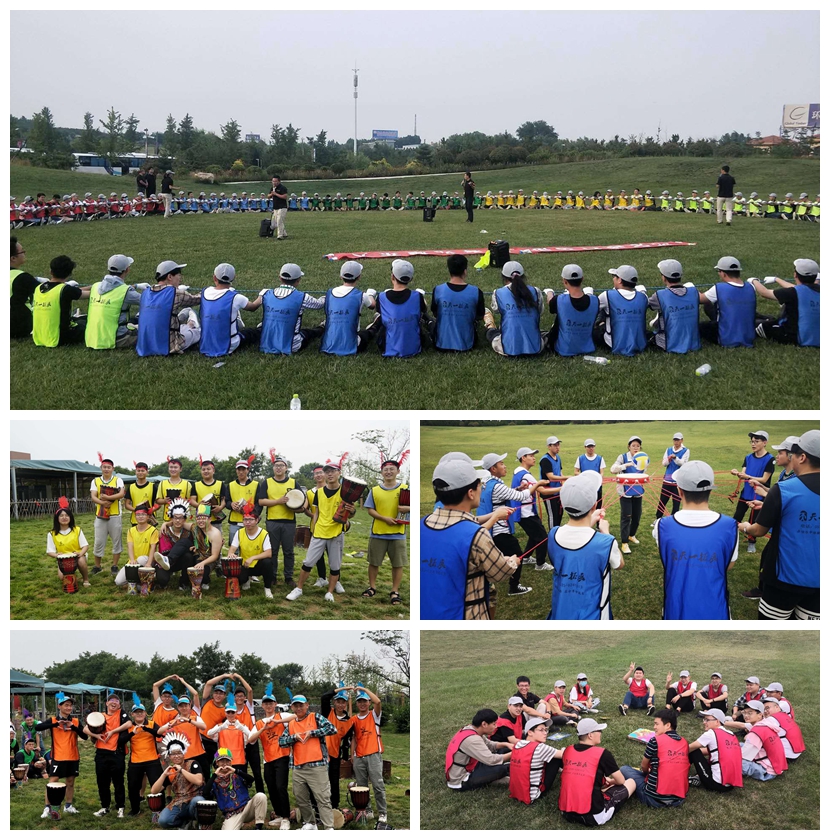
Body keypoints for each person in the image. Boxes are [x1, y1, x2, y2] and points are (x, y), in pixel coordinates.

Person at [421, 455, 520, 618]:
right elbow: (500, 572)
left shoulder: (422, 524)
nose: (482, 488)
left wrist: (494, 515)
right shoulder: (476, 534)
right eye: (480, 485)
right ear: (471, 493)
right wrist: (512, 561)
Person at [741, 430, 819, 620]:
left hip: (784, 578)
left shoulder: (784, 489)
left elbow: (758, 530)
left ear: (802, 457)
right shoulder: (783, 489)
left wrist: (745, 526)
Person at [653, 460, 738, 620]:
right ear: (710, 490)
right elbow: (728, 565)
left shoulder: (661, 526)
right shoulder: (730, 526)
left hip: (676, 609)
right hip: (716, 609)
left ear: (679, 491)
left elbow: (668, 560)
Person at [547, 471, 623, 621]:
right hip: (594, 617)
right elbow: (619, 564)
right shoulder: (605, 542)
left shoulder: (553, 534)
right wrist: (606, 532)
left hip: (560, 612)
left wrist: (591, 520)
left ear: (563, 504)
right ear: (594, 505)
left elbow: (575, 536)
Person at [286, 457, 351, 603]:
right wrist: (314, 529)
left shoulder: (345, 492)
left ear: (339, 473)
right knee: (308, 562)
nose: (330, 474)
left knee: (335, 566)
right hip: (320, 532)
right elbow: (316, 512)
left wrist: (351, 512)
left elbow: (350, 513)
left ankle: (329, 592)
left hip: (336, 533)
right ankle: (299, 589)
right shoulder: (319, 493)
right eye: (327, 471)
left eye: (333, 471)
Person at [476, 452, 539, 598]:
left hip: (490, 530)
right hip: (498, 530)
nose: (505, 466)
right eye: (501, 464)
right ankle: (514, 586)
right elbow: (521, 497)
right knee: (516, 553)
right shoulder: (497, 486)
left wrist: (518, 488)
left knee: (498, 555)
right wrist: (537, 485)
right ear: (493, 469)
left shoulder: (487, 483)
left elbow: (505, 494)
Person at [558, 719, 636, 826]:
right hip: (593, 816)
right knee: (631, 782)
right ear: (590, 735)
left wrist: (604, 780)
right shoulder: (603, 754)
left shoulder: (568, 750)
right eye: (599, 731)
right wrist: (612, 782)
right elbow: (620, 781)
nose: (601, 733)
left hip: (566, 812)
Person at [278, 693, 337, 831]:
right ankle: (310, 823)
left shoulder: (315, 717)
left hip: (317, 765)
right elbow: (281, 742)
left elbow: (332, 729)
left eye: (301, 705)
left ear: (307, 705)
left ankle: (329, 827)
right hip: (298, 767)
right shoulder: (291, 724)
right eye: (296, 706)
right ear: (292, 707)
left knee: (322, 798)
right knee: (301, 797)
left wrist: (312, 733)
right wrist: (294, 737)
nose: (298, 708)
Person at [247, 683, 296, 829]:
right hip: (268, 759)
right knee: (271, 787)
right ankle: (279, 814)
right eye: (266, 703)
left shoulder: (282, 716)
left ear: (275, 704)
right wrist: (263, 728)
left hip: (282, 756)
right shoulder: (259, 723)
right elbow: (250, 739)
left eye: (271, 703)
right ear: (262, 706)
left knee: (281, 786)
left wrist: (277, 722)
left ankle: (286, 817)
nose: (268, 706)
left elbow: (296, 716)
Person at [363, 452, 409, 605]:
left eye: (392, 469)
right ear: (381, 472)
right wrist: (385, 518)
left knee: (398, 564)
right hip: (378, 533)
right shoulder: (375, 490)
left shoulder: (406, 489)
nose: (388, 472)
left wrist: (408, 508)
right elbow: (370, 509)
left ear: (398, 471)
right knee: (374, 562)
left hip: (398, 533)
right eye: (385, 470)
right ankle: (372, 587)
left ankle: (395, 591)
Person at [620, 709, 689, 807]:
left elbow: (644, 766)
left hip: (654, 799)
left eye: (657, 724)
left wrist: (647, 773)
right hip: (678, 799)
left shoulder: (655, 740)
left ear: (667, 725)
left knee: (624, 769)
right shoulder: (684, 743)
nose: (654, 727)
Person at [36, 692, 87, 818]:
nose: (69, 708)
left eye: (70, 705)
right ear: (59, 706)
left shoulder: (75, 721)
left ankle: (68, 806)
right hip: (58, 756)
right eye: (66, 705)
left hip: (73, 756)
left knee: (70, 782)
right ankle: (47, 807)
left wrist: (73, 727)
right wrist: (55, 724)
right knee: (52, 782)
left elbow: (85, 736)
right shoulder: (53, 720)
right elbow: (38, 727)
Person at [136, 260, 201, 356]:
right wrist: (211, 291)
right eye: (178, 274)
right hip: (170, 345)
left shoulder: (145, 293)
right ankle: (192, 324)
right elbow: (197, 299)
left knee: (181, 325)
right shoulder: (176, 293)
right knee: (197, 332)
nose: (180, 278)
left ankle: (186, 323)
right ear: (170, 277)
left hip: (145, 346)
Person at [259, 263, 325, 355]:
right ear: (298, 280)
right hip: (291, 345)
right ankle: (322, 327)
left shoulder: (266, 293)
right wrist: (327, 297)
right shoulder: (302, 297)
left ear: (280, 278)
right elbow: (319, 305)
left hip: (267, 341)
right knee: (308, 333)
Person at [752, 258, 820, 346]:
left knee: (762, 326)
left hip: (795, 337)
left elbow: (764, 293)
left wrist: (753, 281)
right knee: (772, 320)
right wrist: (776, 279)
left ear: (795, 274)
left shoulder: (793, 292)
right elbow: (798, 288)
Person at [731, 430, 774, 567]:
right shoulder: (748, 457)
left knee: (754, 520)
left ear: (765, 443)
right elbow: (743, 473)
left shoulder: (770, 459)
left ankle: (751, 542)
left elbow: (764, 479)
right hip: (746, 493)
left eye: (757, 441)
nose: (753, 444)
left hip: (759, 494)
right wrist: (737, 473)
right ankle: (731, 538)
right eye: (752, 441)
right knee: (737, 516)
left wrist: (748, 477)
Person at [484, 261, 545, 356]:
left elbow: (496, 310)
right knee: (542, 333)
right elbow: (540, 311)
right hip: (536, 347)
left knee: (492, 333)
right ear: (523, 276)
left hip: (506, 348)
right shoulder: (536, 291)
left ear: (504, 277)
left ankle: (490, 325)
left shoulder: (498, 293)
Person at [85, 691, 131, 818]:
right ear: (106, 703)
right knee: (102, 782)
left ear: (119, 704)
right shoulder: (100, 716)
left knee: (118, 782)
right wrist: (96, 736)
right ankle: (105, 806)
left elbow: (129, 724)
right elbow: (85, 729)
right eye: (111, 701)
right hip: (101, 753)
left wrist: (112, 732)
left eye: (116, 701)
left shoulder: (121, 714)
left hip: (116, 753)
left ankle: (120, 807)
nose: (114, 703)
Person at [200, 262, 261, 357]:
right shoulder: (236, 297)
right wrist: (262, 296)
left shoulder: (205, 291)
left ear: (214, 278)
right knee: (252, 333)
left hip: (205, 344)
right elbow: (253, 307)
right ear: (233, 278)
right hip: (228, 345)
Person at [258, 452, 299, 589]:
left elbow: (302, 500)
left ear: (286, 468)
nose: (279, 468)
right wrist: (278, 501)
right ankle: (272, 576)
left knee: (289, 551)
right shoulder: (267, 482)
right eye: (276, 465)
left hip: (289, 521)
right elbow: (261, 501)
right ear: (273, 468)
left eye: (281, 465)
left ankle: (288, 577)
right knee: (273, 551)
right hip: (273, 521)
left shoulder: (293, 482)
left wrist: (298, 507)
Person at [319, 260, 379, 356]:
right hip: (352, 345)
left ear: (341, 276)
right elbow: (372, 305)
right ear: (359, 277)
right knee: (367, 334)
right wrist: (371, 294)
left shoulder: (329, 293)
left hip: (327, 345)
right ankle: (375, 324)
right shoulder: (361, 295)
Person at [348, 685, 388, 824]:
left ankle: (382, 812)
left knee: (378, 785)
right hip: (359, 756)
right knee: (362, 787)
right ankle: (367, 810)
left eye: (365, 701)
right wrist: (352, 755)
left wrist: (364, 690)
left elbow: (378, 701)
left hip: (373, 754)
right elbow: (354, 737)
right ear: (357, 704)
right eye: (359, 701)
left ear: (368, 702)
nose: (362, 704)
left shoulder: (374, 715)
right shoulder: (354, 719)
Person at [150, 731, 206, 829]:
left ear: (183, 753)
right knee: (163, 821)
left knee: (198, 801)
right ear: (169, 756)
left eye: (179, 753)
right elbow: (154, 791)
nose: (176, 756)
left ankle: (199, 822)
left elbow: (198, 781)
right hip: (179, 801)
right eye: (173, 754)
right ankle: (184, 822)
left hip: (194, 798)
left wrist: (181, 770)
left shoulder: (193, 763)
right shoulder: (171, 771)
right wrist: (164, 775)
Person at [445, 709, 512, 791]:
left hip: (473, 765)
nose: (496, 727)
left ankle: (499, 774)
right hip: (462, 779)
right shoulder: (473, 740)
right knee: (502, 769)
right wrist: (513, 753)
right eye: (494, 724)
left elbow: (490, 745)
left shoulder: (471, 729)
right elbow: (491, 760)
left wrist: (506, 744)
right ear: (484, 724)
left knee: (502, 751)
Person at [32, 254, 91, 346]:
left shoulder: (39, 288)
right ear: (69, 274)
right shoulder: (65, 290)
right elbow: (89, 294)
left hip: (39, 336)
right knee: (88, 321)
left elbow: (75, 291)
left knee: (78, 319)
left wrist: (91, 286)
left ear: (51, 271)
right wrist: (98, 287)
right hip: (60, 337)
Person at [376, 259, 431, 357]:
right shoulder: (417, 296)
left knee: (379, 317)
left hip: (387, 347)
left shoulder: (381, 297)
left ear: (392, 276)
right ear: (411, 279)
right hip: (415, 348)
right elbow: (424, 309)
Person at [431, 254, 485, 351]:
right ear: (465, 271)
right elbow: (479, 316)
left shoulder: (438, 290)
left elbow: (435, 313)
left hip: (441, 344)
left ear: (449, 270)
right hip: (467, 345)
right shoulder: (476, 292)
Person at [723, 700, 787, 781]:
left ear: (760, 715)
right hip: (776, 763)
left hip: (767, 770)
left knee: (732, 760)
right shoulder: (765, 723)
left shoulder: (757, 732)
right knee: (737, 745)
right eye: (745, 713)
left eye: (750, 713)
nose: (746, 716)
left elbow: (744, 756)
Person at [700, 256, 756, 347]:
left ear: (724, 274)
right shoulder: (751, 287)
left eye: (719, 271)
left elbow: (700, 299)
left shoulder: (719, 288)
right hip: (748, 336)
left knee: (701, 326)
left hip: (726, 338)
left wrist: (690, 288)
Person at [512, 447, 553, 571]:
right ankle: (540, 564)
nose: (534, 458)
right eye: (531, 456)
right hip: (525, 513)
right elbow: (542, 490)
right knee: (542, 537)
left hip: (525, 511)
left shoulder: (518, 472)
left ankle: (526, 557)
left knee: (533, 534)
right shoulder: (525, 475)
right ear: (523, 458)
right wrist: (563, 489)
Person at [206, 748, 268, 830]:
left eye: (227, 761)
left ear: (231, 762)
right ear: (217, 763)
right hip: (232, 814)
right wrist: (215, 775)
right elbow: (205, 792)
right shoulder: (214, 780)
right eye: (222, 761)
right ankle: (238, 824)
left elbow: (251, 779)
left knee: (261, 796)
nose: (225, 763)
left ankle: (258, 828)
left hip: (247, 808)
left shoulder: (237, 774)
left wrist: (236, 771)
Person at [648, 259, 701, 353]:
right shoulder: (694, 292)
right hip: (694, 344)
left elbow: (644, 305)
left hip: (669, 344)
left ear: (663, 278)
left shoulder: (660, 295)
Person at [508, 717, 564, 805]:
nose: (545, 733)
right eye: (541, 730)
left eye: (546, 730)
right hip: (534, 794)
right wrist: (564, 749)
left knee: (551, 755)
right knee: (556, 758)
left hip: (517, 792)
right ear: (530, 732)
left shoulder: (518, 744)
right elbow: (564, 754)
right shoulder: (540, 748)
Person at [609, 435, 649, 555]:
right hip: (625, 492)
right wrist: (626, 465)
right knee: (626, 517)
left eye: (638, 446)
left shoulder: (643, 458)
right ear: (629, 447)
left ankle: (631, 535)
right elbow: (613, 469)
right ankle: (624, 542)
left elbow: (643, 474)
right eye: (633, 445)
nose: (636, 448)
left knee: (636, 516)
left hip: (638, 492)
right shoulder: (622, 457)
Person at [595, 265, 648, 356]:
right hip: (640, 344)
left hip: (612, 343)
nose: (613, 279)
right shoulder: (643, 297)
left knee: (595, 331)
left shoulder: (607, 295)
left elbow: (591, 309)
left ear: (619, 280)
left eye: (614, 277)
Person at [124, 694, 163, 817]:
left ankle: (160, 809)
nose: (139, 714)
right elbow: (121, 741)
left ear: (145, 713)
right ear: (132, 714)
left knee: (158, 785)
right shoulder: (129, 726)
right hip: (136, 761)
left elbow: (159, 734)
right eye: (137, 712)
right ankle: (135, 809)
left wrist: (146, 729)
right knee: (133, 786)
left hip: (152, 760)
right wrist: (132, 733)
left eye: (141, 712)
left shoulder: (152, 724)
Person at [686, 708, 743, 791]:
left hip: (716, 784)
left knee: (694, 751)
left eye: (707, 720)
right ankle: (697, 776)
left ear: (717, 721)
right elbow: (717, 751)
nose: (704, 722)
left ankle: (677, 771)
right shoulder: (731, 734)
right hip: (730, 786)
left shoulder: (711, 734)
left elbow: (689, 748)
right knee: (702, 755)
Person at [548, 264, 599, 356]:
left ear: (564, 281)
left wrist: (549, 293)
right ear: (582, 279)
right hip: (588, 347)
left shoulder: (559, 299)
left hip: (563, 349)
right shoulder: (595, 300)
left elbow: (551, 305)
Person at [228, 503, 274, 599]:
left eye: (251, 519)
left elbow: (269, 553)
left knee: (268, 562)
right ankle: (246, 579)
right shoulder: (239, 532)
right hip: (245, 565)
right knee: (240, 580)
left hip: (258, 564)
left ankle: (267, 588)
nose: (248, 522)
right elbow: (232, 549)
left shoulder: (263, 533)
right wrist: (231, 554)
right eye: (245, 519)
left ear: (257, 520)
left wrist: (252, 558)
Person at [90, 455, 125, 575]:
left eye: (108, 467)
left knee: (117, 541)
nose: (106, 469)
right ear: (101, 468)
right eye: (104, 467)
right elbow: (93, 496)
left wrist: (107, 497)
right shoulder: (95, 481)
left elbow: (121, 494)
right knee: (99, 541)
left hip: (115, 515)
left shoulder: (118, 480)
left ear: (112, 468)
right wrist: (102, 503)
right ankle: (97, 566)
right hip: (100, 515)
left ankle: (114, 566)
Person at [319, 684, 353, 809]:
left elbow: (347, 741)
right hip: (320, 753)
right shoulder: (328, 712)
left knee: (334, 781)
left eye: (343, 702)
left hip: (334, 754)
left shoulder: (349, 721)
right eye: (338, 702)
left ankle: (334, 805)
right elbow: (324, 697)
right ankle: (317, 804)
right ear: (334, 702)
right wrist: (342, 689)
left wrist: (345, 756)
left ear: (346, 704)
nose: (340, 705)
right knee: (319, 780)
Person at [47, 497, 92, 587]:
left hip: (77, 556)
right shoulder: (52, 534)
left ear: (70, 517)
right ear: (57, 518)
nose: (64, 518)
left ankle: (86, 579)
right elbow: (49, 551)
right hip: (63, 559)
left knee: (81, 562)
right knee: (61, 577)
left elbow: (85, 546)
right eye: (61, 516)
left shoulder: (77, 530)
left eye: (67, 515)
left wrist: (80, 554)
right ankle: (71, 576)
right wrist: (57, 555)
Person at [116, 502, 159, 588]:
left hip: (147, 560)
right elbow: (130, 547)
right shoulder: (131, 531)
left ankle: (147, 577)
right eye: (138, 515)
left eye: (143, 514)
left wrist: (149, 563)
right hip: (134, 561)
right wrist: (132, 560)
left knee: (141, 559)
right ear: (135, 516)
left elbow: (153, 548)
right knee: (118, 581)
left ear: (148, 516)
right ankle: (138, 581)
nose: (140, 517)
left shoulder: (153, 531)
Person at [653, 433, 689, 521]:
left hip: (678, 482)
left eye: (678, 440)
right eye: (675, 440)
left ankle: (674, 520)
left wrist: (675, 458)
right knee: (662, 501)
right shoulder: (669, 449)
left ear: (682, 440)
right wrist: (668, 459)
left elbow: (683, 463)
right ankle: (658, 519)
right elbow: (664, 464)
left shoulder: (686, 450)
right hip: (667, 480)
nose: (676, 442)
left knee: (676, 502)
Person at [226, 456, 260, 546]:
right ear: (236, 470)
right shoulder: (230, 485)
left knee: (250, 546)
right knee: (234, 547)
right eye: (239, 469)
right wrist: (231, 505)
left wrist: (253, 515)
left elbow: (259, 503)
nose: (241, 472)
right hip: (235, 522)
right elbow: (226, 501)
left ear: (247, 470)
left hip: (250, 522)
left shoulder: (256, 485)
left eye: (243, 469)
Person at [10, 236, 40, 338]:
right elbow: (49, 291)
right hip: (19, 327)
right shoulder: (22, 277)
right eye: (22, 252)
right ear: (13, 258)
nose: (24, 253)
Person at [539, 436, 566, 529]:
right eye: (555, 445)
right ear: (549, 446)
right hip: (549, 492)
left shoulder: (558, 457)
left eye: (558, 445)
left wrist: (563, 483)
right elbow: (551, 477)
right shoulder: (545, 460)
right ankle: (552, 534)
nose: (557, 447)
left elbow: (560, 472)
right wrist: (567, 478)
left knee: (559, 513)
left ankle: (557, 532)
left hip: (558, 491)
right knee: (552, 515)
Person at [574, 439, 606, 503]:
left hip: (597, 487)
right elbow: (575, 472)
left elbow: (602, 472)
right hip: (585, 487)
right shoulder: (580, 458)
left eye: (592, 446)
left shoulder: (600, 459)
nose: (591, 448)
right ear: (585, 447)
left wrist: (597, 479)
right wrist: (585, 476)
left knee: (597, 505)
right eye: (589, 447)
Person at [126, 461, 158, 526]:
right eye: (138, 471)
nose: (140, 473)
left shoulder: (152, 486)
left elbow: (158, 503)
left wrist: (151, 510)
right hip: (135, 520)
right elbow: (127, 504)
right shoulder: (131, 487)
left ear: (147, 472)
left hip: (149, 519)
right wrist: (137, 510)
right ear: (135, 472)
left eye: (143, 471)